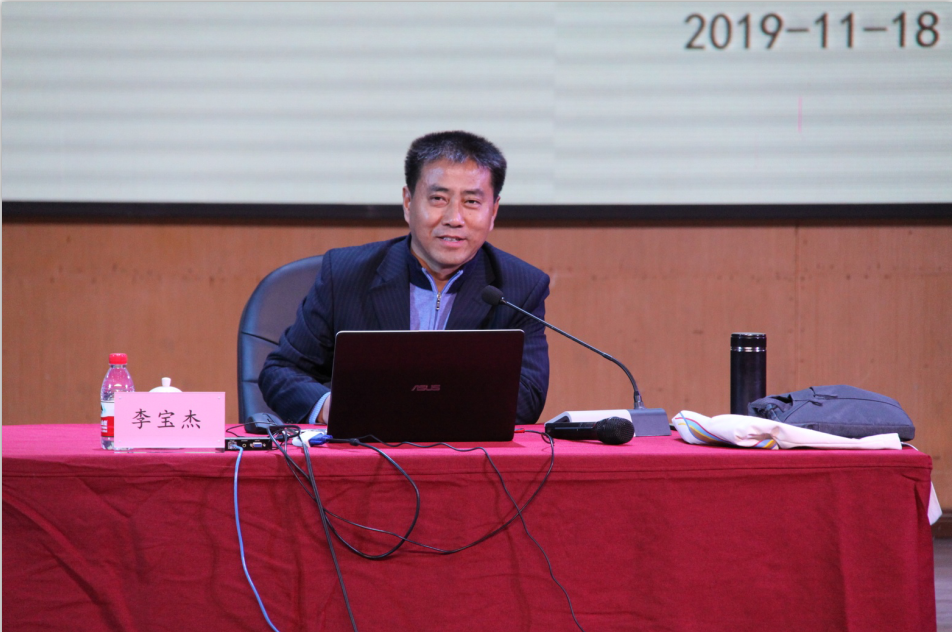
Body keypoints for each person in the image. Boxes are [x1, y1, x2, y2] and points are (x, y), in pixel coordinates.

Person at [259, 131, 550, 426]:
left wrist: (410, 406)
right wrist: (329, 406)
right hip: (365, 446)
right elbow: (281, 372)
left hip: (468, 451)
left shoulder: (520, 287)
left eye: (472, 202)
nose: (454, 218)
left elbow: (528, 396)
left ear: (493, 211)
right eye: (438, 198)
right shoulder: (346, 274)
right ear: (408, 202)